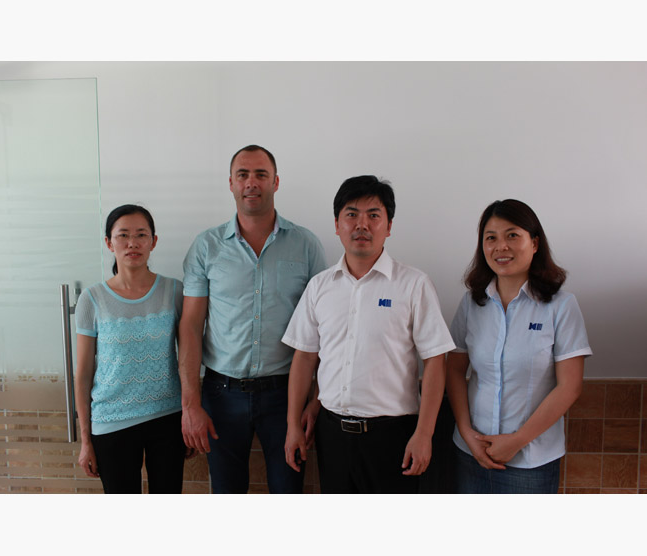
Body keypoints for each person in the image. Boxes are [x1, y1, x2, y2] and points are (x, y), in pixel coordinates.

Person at [282, 175, 455, 493]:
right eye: (351, 214)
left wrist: (424, 434)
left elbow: (435, 361)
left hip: (393, 436)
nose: (362, 224)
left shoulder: (413, 284)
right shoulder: (319, 286)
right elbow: (305, 358)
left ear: (388, 226)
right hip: (331, 434)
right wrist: (293, 424)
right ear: (337, 225)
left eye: (373, 215)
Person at [179, 145, 326, 494]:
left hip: (286, 395)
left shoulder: (306, 245)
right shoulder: (207, 247)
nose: (251, 183)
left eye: (261, 174)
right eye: (243, 174)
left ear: (276, 182)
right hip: (221, 394)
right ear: (231, 183)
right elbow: (190, 327)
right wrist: (190, 404)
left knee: (288, 491)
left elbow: (324, 327)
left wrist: (316, 397)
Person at [445, 199, 592, 494]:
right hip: (471, 451)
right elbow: (454, 370)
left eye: (512, 235)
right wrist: (466, 431)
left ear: (534, 243)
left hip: (531, 461)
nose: (501, 246)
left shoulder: (561, 306)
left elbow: (570, 386)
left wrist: (517, 440)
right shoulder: (472, 303)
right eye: (491, 238)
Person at [75, 204, 186, 494]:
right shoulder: (92, 299)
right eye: (123, 235)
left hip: (168, 417)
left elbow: (189, 358)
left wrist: (190, 414)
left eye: (141, 235)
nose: (132, 243)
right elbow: (83, 374)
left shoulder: (175, 291)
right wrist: (85, 440)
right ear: (109, 243)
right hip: (111, 422)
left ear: (153, 241)